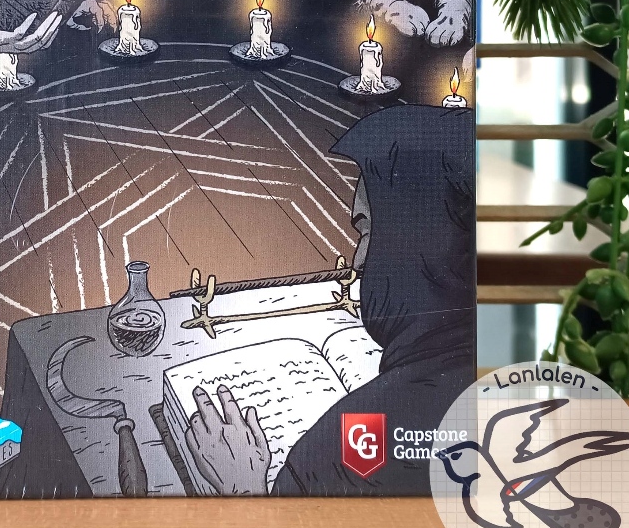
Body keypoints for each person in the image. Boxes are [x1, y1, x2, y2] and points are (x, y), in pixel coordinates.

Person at [185, 103, 476, 496]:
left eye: (369, 231)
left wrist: (243, 485)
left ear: (419, 242)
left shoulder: (335, 458)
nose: (358, 260)